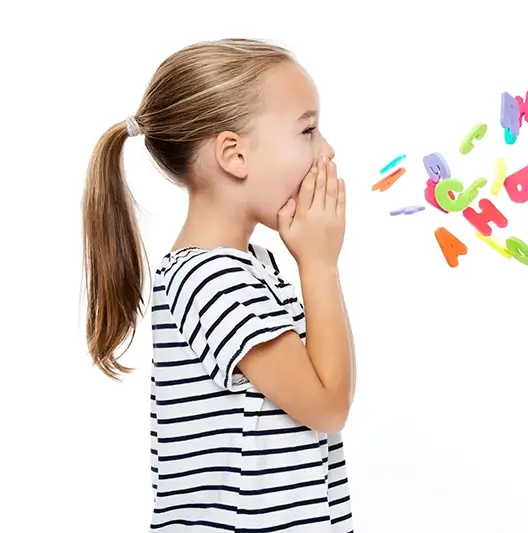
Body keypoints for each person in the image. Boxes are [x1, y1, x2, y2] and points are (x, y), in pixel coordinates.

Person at [81, 38, 356, 532]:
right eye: (308, 130)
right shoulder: (214, 279)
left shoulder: (250, 265)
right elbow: (328, 405)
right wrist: (320, 265)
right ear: (234, 155)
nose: (328, 151)